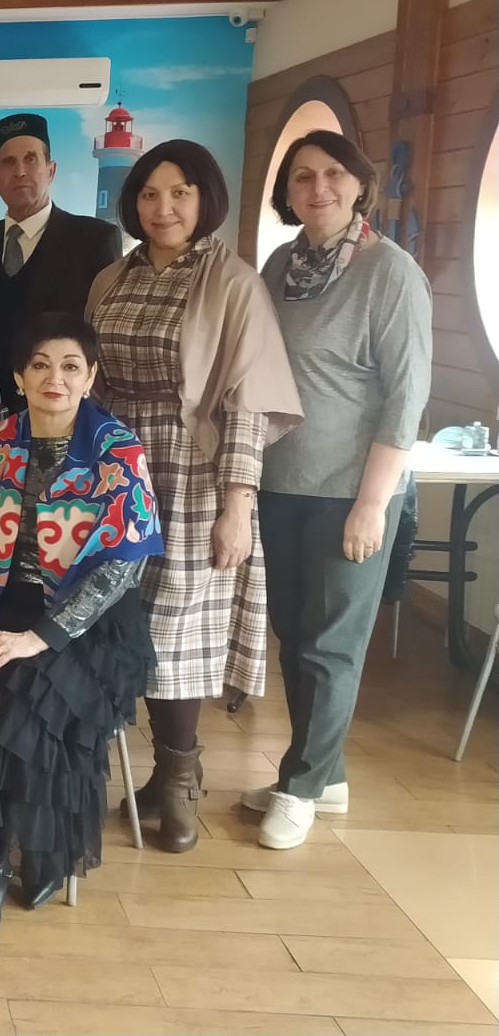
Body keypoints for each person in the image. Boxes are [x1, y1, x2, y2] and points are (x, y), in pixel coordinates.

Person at [86, 139, 303, 853]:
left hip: (193, 467)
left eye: (179, 192)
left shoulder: (233, 282)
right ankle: (153, 772)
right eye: (150, 194)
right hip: (115, 462)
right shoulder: (110, 278)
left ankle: (180, 777)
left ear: (205, 197)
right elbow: (87, 377)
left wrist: (238, 503)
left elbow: (248, 401)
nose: (164, 208)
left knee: (175, 626)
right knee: (117, 614)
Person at [0, 312, 163, 936]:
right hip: (5, 605)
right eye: (40, 365)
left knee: (26, 691)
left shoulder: (118, 452)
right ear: (19, 376)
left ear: (90, 376)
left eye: (70, 366)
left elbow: (122, 568)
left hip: (91, 622)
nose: (55, 378)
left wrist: (40, 638)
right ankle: (7, 853)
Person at [246, 130, 431, 850]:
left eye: (331, 174)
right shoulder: (280, 266)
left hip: (349, 492)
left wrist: (372, 504)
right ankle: (325, 775)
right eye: (301, 176)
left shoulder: (391, 273)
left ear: (359, 185)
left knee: (332, 645)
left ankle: (299, 786)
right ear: (287, 193)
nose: (317, 187)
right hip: (280, 483)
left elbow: (405, 401)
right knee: (294, 636)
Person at [0, 112, 122, 409]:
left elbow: (104, 336)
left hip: (62, 412)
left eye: (31, 159)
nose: (20, 171)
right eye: (8, 162)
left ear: (51, 169)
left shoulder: (94, 240)